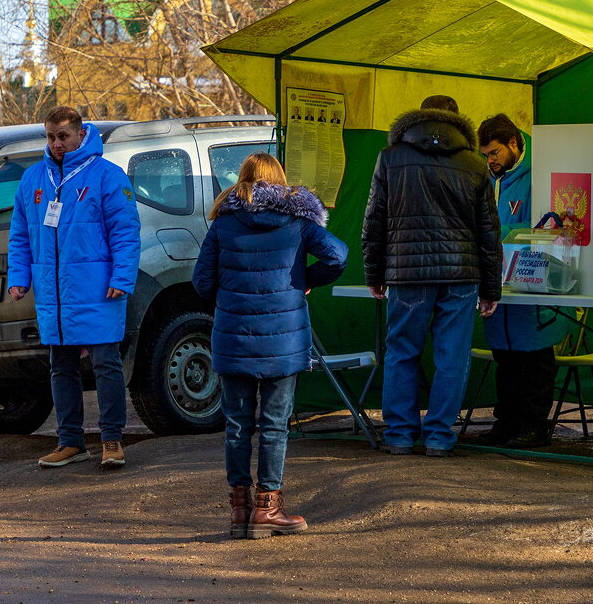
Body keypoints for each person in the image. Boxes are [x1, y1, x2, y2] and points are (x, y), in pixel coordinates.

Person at [193, 154, 346, 539]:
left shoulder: (223, 224)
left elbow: (201, 282)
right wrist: (304, 279)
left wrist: (229, 298)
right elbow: (338, 254)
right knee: (275, 425)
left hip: (233, 333)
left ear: (242, 179)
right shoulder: (297, 222)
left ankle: (239, 509)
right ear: (280, 181)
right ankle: (268, 509)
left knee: (236, 425)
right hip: (284, 337)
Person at [362, 95, 501, 457]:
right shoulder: (475, 164)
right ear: (458, 123)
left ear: (418, 118)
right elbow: (489, 233)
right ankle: (439, 436)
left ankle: (400, 435)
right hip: (461, 273)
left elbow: (373, 221)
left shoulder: (390, 158)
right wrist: (491, 287)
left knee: (401, 353)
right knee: (452, 356)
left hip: (407, 273)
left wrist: (374, 273)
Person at [8, 106, 141, 469]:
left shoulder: (107, 176)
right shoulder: (33, 179)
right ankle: (70, 441)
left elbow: (126, 232)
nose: (56, 144)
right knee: (60, 365)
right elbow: (20, 235)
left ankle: (112, 438)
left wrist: (122, 278)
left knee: (105, 363)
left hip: (97, 288)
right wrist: (19, 278)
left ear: (81, 135)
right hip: (55, 292)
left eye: (63, 136)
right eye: (50, 137)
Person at [476, 113, 560, 448]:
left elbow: (543, 225)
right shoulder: (488, 178)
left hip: (532, 276)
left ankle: (534, 425)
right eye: (485, 155)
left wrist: (503, 236)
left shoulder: (542, 171)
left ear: (513, 143)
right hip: (498, 281)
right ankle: (506, 423)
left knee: (534, 356)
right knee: (505, 356)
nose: (490, 160)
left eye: (494, 153)